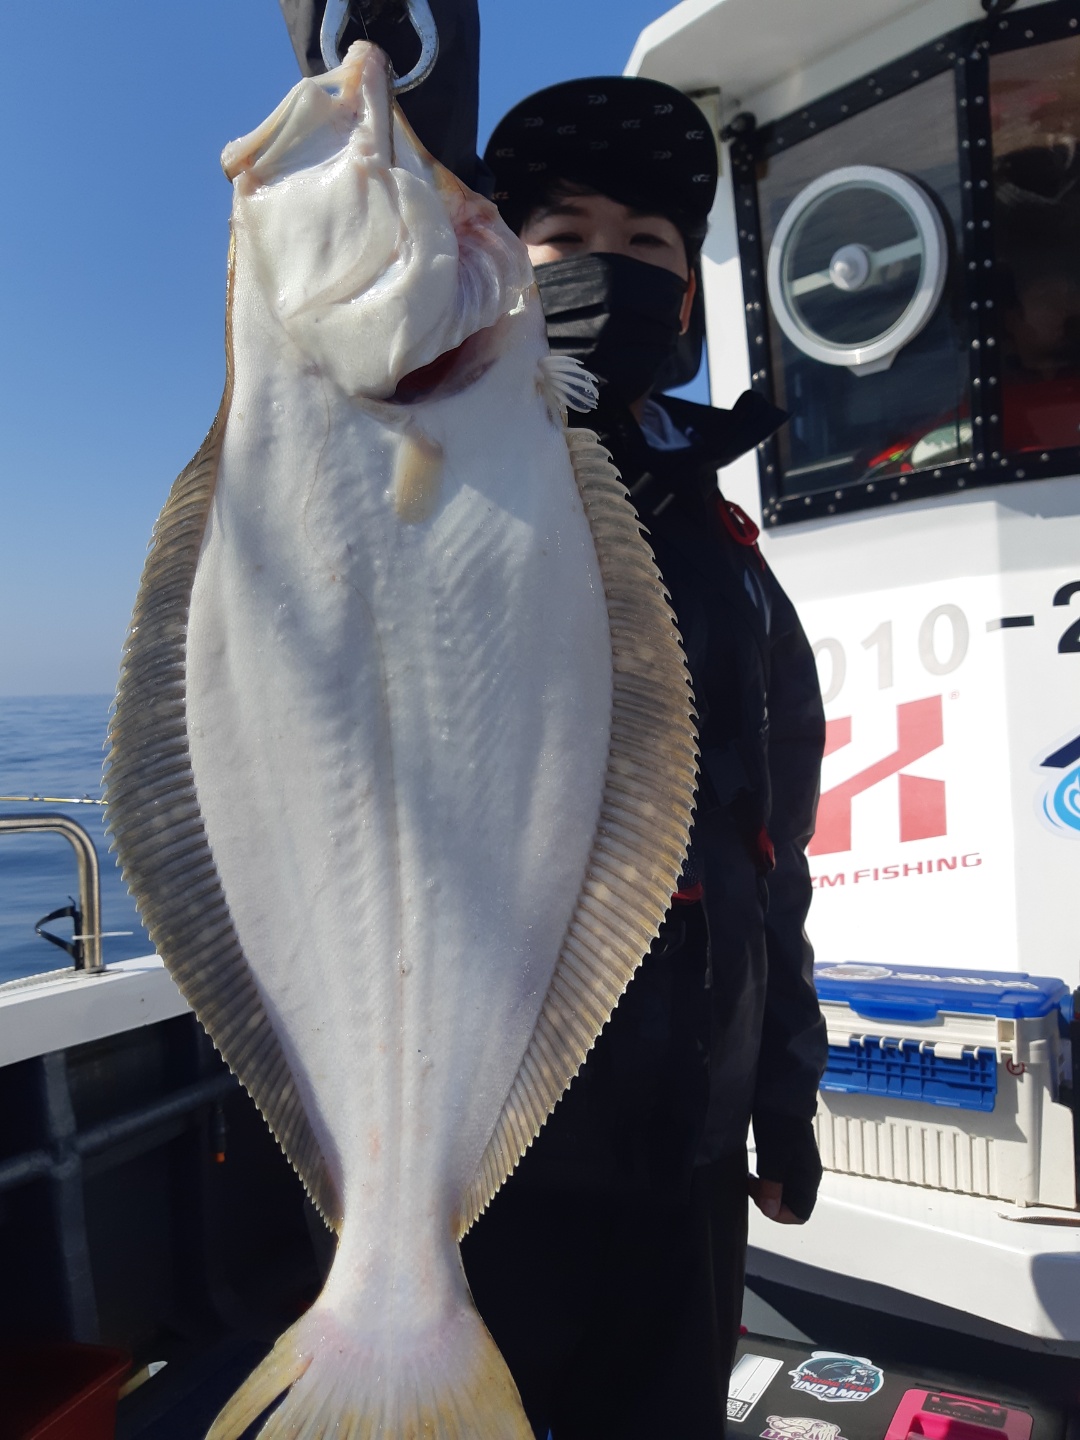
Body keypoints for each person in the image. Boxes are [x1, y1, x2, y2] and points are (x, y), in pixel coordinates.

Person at [456, 78, 828, 1440]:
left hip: (690, 1140)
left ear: (685, 293)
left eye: (648, 241)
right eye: (560, 236)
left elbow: (771, 848)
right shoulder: (444, 471)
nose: (605, 264)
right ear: (501, 270)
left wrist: (781, 1091)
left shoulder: (732, 557)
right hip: (482, 1140)